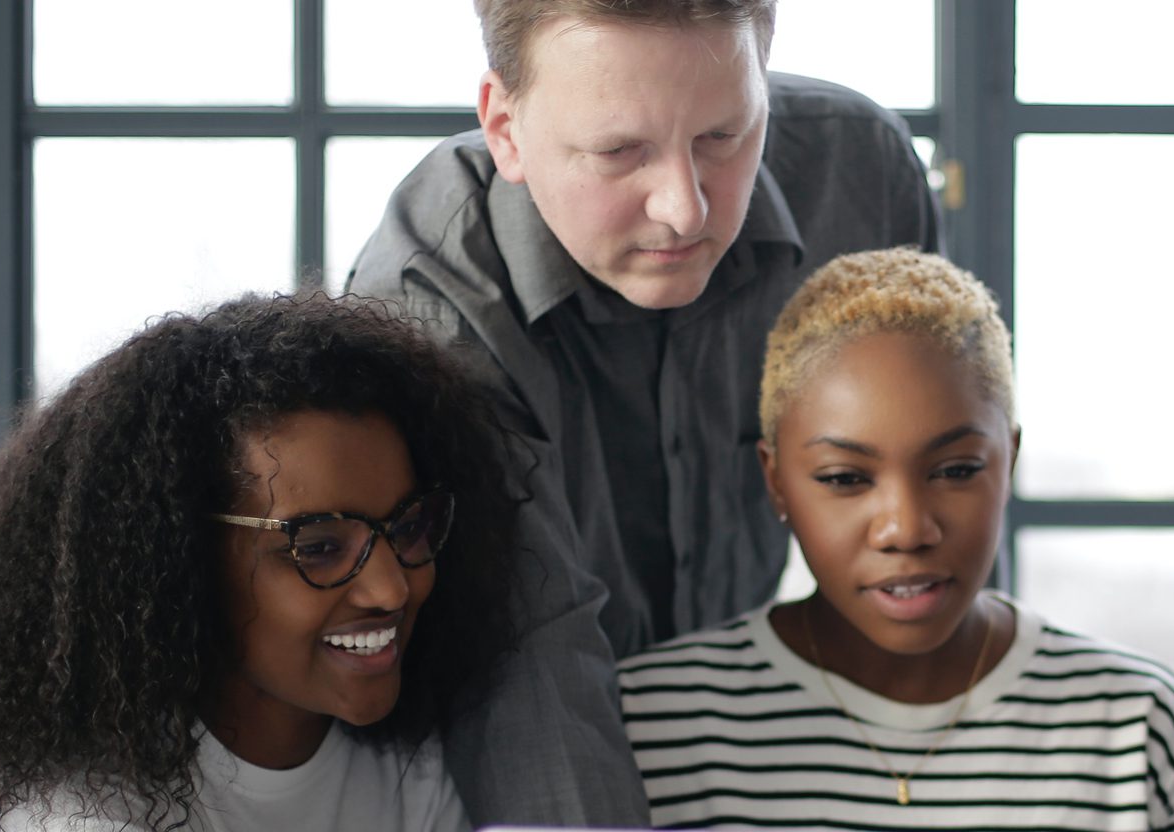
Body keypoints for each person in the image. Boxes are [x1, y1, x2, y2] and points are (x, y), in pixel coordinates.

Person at [347, 1, 940, 820]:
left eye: (724, 137)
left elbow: (934, 487)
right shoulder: (428, 302)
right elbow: (532, 649)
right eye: (619, 151)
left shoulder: (859, 173)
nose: (685, 209)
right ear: (506, 128)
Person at [0, 296, 520, 832]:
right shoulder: (75, 814)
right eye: (319, 547)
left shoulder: (407, 769)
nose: (393, 584)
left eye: (408, 528)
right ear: (181, 558)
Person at [617, 249, 1174, 831]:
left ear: (1009, 461)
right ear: (776, 482)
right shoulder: (654, 722)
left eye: (956, 470)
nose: (906, 529)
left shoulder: (1131, 723)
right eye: (845, 479)